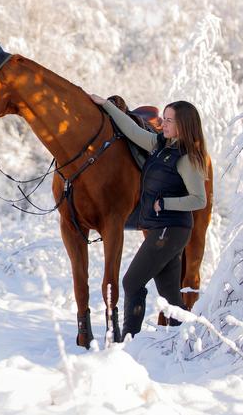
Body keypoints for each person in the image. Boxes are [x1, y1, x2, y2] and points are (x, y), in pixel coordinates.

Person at [88, 94, 210, 338]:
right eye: (163, 119)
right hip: (160, 229)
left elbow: (199, 200)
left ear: (184, 125)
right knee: (170, 294)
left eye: (169, 121)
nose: (163, 124)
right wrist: (107, 106)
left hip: (172, 229)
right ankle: (183, 339)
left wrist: (164, 203)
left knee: (131, 282)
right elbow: (132, 130)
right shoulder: (160, 145)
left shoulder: (187, 159)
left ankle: (129, 342)